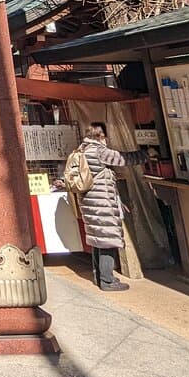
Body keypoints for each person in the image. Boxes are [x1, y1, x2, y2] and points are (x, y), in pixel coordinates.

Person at [76, 122, 146, 292]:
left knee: (98, 239)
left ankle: (99, 276)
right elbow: (122, 159)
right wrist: (145, 154)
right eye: (105, 135)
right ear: (101, 135)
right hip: (101, 202)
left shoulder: (81, 149)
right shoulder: (98, 151)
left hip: (89, 201)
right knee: (107, 239)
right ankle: (107, 280)